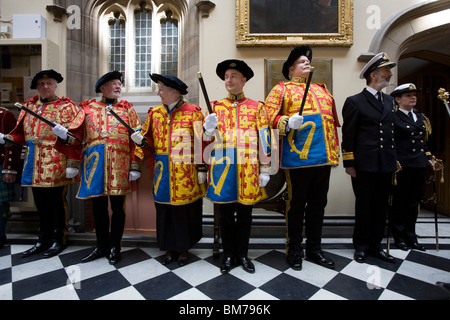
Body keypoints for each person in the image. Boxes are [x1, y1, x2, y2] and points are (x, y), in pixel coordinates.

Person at [54, 71, 142, 265]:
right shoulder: (87, 109)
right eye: (113, 83)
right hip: (94, 164)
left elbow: (138, 140)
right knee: (98, 208)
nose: (118, 86)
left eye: (119, 83)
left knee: (118, 209)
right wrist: (63, 137)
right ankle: (101, 245)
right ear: (102, 88)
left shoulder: (128, 111)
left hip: (120, 165)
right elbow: (75, 138)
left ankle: (115, 246)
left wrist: (135, 165)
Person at [265, 45, 340, 271]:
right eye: (301, 62)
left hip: (323, 157)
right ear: (290, 69)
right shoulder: (281, 89)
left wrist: (334, 151)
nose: (307, 63)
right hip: (298, 158)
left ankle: (315, 249)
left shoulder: (323, 90)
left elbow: (332, 123)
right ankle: (294, 249)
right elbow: (268, 116)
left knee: (319, 204)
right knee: (296, 205)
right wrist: (285, 121)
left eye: (308, 61)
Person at [203, 59, 271, 274]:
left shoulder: (257, 107)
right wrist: (207, 128)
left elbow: (265, 139)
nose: (228, 80)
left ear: (243, 80)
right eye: (226, 77)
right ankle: (228, 254)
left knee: (245, 214)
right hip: (222, 169)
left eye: (233, 76)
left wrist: (265, 168)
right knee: (224, 214)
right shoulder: (214, 107)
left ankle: (242, 254)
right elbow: (203, 140)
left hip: (248, 169)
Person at [131, 74, 206, 267]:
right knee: (164, 210)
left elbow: (201, 142)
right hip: (162, 170)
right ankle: (169, 248)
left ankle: (183, 249)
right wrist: (139, 145)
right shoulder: (155, 113)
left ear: (174, 92)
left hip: (186, 171)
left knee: (183, 211)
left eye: (162, 89)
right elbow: (146, 141)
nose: (159, 93)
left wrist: (202, 168)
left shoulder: (193, 113)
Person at [3, 69, 79, 258]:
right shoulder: (29, 107)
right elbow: (20, 134)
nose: (46, 87)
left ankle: (58, 238)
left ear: (55, 86)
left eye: (49, 83)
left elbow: (76, 136)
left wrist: (72, 161)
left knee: (56, 203)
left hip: (55, 160)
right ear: (36, 87)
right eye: (41, 84)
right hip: (33, 162)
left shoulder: (66, 107)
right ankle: (42, 239)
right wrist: (7, 137)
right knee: (41, 203)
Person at [341, 52, 398, 263]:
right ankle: (362, 246)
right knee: (364, 206)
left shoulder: (390, 101)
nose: (390, 74)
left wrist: (395, 160)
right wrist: (349, 163)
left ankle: (376, 245)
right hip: (364, 165)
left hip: (385, 164)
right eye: (386, 70)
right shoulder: (355, 102)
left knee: (381, 207)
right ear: (374, 75)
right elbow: (349, 135)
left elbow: (392, 132)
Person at [390, 83, 434, 251]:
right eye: (408, 96)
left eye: (414, 95)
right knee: (399, 202)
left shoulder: (421, 118)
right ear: (398, 99)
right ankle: (399, 237)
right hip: (402, 165)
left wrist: (429, 157)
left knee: (413, 202)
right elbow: (390, 142)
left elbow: (424, 142)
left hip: (419, 164)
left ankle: (411, 236)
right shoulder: (393, 117)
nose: (413, 97)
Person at [0, 108, 21, 248]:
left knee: (0, 205)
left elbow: (13, 144)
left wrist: (9, 168)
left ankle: (0, 235)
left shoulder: (5, 115)